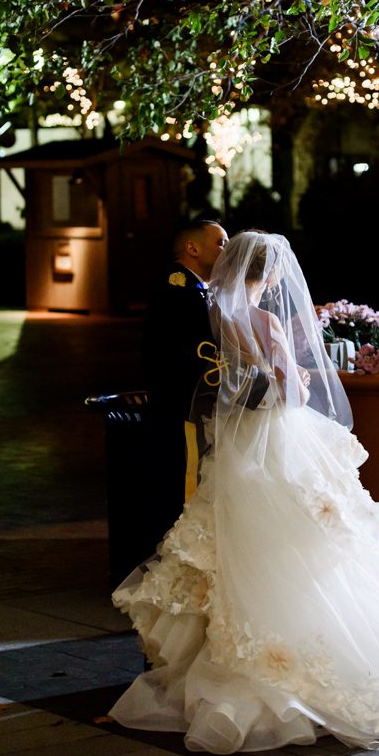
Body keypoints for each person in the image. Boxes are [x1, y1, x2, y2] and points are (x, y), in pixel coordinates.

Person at [111, 232, 379, 754]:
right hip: (280, 441)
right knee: (305, 549)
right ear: (267, 277)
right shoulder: (263, 320)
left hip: (238, 450)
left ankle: (240, 658)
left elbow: (224, 384)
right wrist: (304, 383)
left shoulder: (217, 316)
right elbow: (289, 390)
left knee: (241, 550)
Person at [141, 220, 228, 537]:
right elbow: (198, 355)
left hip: (193, 405)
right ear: (193, 248)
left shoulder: (197, 290)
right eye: (221, 242)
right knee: (184, 479)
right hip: (182, 406)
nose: (227, 250)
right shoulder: (178, 291)